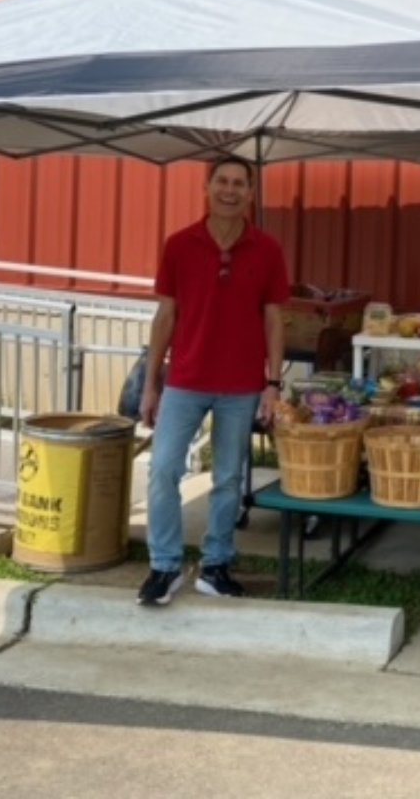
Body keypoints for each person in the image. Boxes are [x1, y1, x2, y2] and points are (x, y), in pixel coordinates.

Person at [136, 154, 290, 607]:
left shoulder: (267, 250)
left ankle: (216, 564)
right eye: (221, 181)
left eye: (239, 183)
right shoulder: (180, 244)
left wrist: (272, 383)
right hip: (185, 380)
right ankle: (164, 567)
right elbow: (165, 315)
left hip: (242, 386)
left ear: (250, 193)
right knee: (163, 470)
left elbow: (275, 318)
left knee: (227, 478)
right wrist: (151, 383)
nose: (229, 190)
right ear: (206, 188)